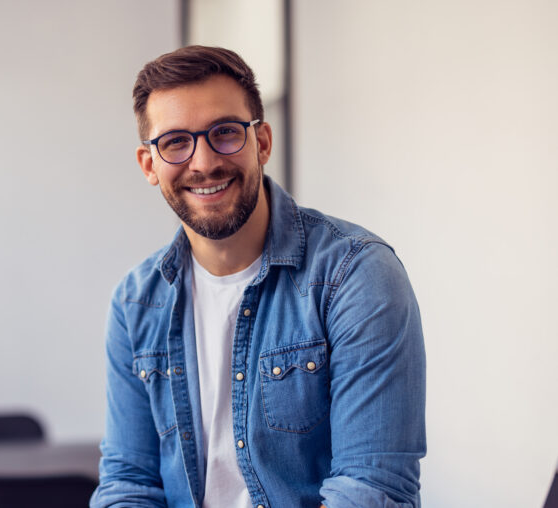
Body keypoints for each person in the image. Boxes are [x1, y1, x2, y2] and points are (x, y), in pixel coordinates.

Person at [90, 46, 426, 508]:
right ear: (150, 164)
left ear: (262, 142)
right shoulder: (135, 303)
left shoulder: (356, 275)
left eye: (225, 133)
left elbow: (371, 488)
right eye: (175, 142)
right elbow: (129, 483)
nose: (204, 162)